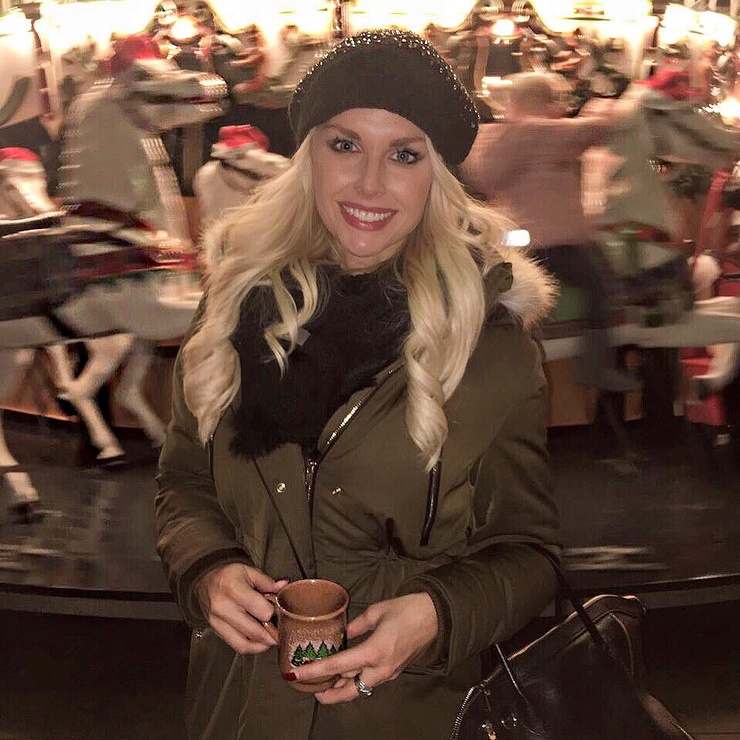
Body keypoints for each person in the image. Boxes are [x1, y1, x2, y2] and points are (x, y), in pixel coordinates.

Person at [155, 29, 561, 740]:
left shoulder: (492, 349)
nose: (370, 184)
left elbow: (530, 553)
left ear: (437, 175)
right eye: (344, 145)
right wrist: (207, 567)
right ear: (307, 154)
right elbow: (184, 481)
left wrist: (436, 615)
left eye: (404, 155)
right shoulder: (234, 305)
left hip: (408, 713)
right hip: (240, 711)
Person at [460, 71, 639, 392]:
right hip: (557, 239)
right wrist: (604, 105)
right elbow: (596, 129)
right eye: (554, 100)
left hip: (516, 239)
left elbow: (480, 176)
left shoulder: (494, 138)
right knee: (603, 288)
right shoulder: (546, 132)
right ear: (542, 101)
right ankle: (596, 366)